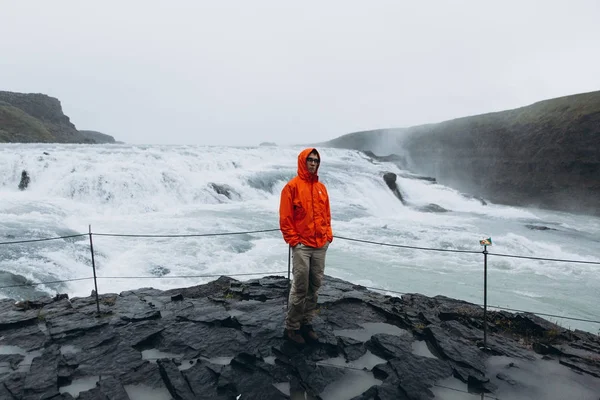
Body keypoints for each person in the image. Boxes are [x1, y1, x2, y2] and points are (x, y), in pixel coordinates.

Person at [279, 148, 333, 344]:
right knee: (300, 287)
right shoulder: (291, 187)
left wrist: (328, 236)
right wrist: (295, 241)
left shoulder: (321, 188)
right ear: (303, 161)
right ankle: (292, 328)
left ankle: (307, 323)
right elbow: (285, 219)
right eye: (310, 160)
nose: (313, 163)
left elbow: (327, 215)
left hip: (320, 245)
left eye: (316, 160)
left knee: (314, 287)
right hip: (303, 246)